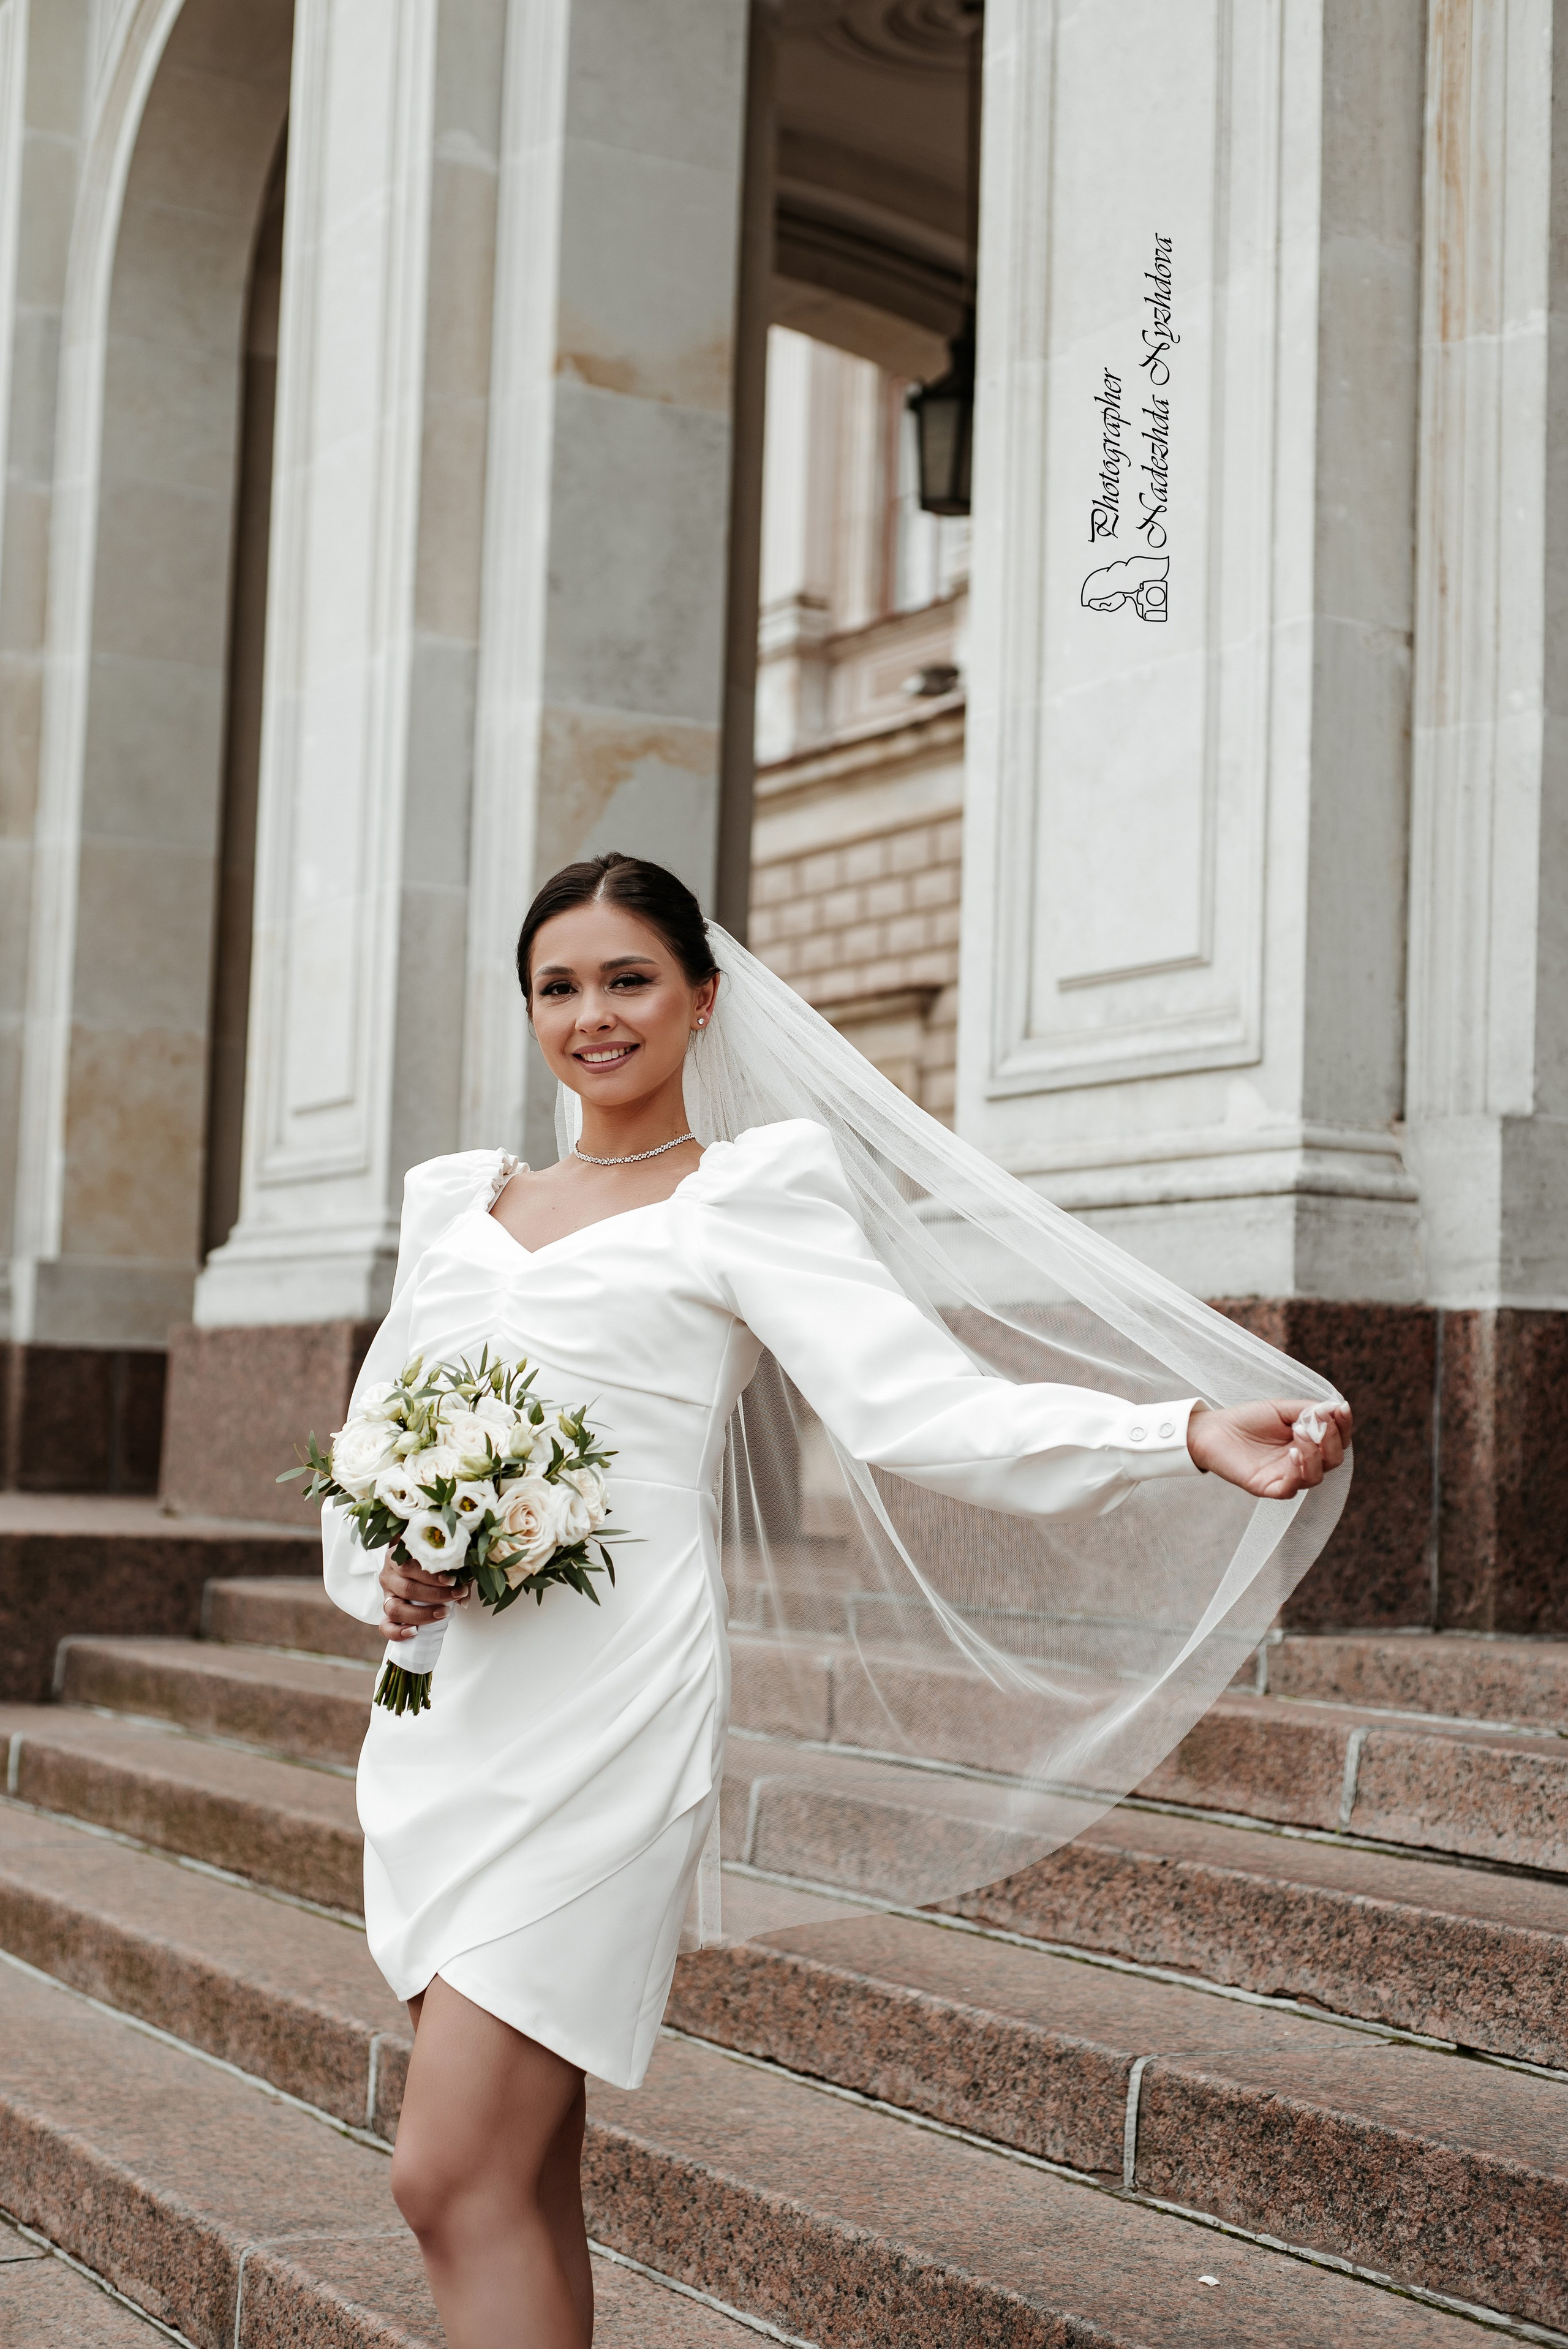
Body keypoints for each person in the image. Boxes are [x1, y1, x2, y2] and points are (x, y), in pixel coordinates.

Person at [322, 852, 1351, 2348]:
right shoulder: (453, 1203)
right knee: (518, 2172)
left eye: (628, 980)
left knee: (443, 2173)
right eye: (559, 985)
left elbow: (918, 1410)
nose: (592, 1015)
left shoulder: (744, 1194)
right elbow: (363, 1452)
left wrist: (1176, 1430)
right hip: (443, 1713)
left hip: (603, 1714)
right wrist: (386, 1565)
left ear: (700, 999)